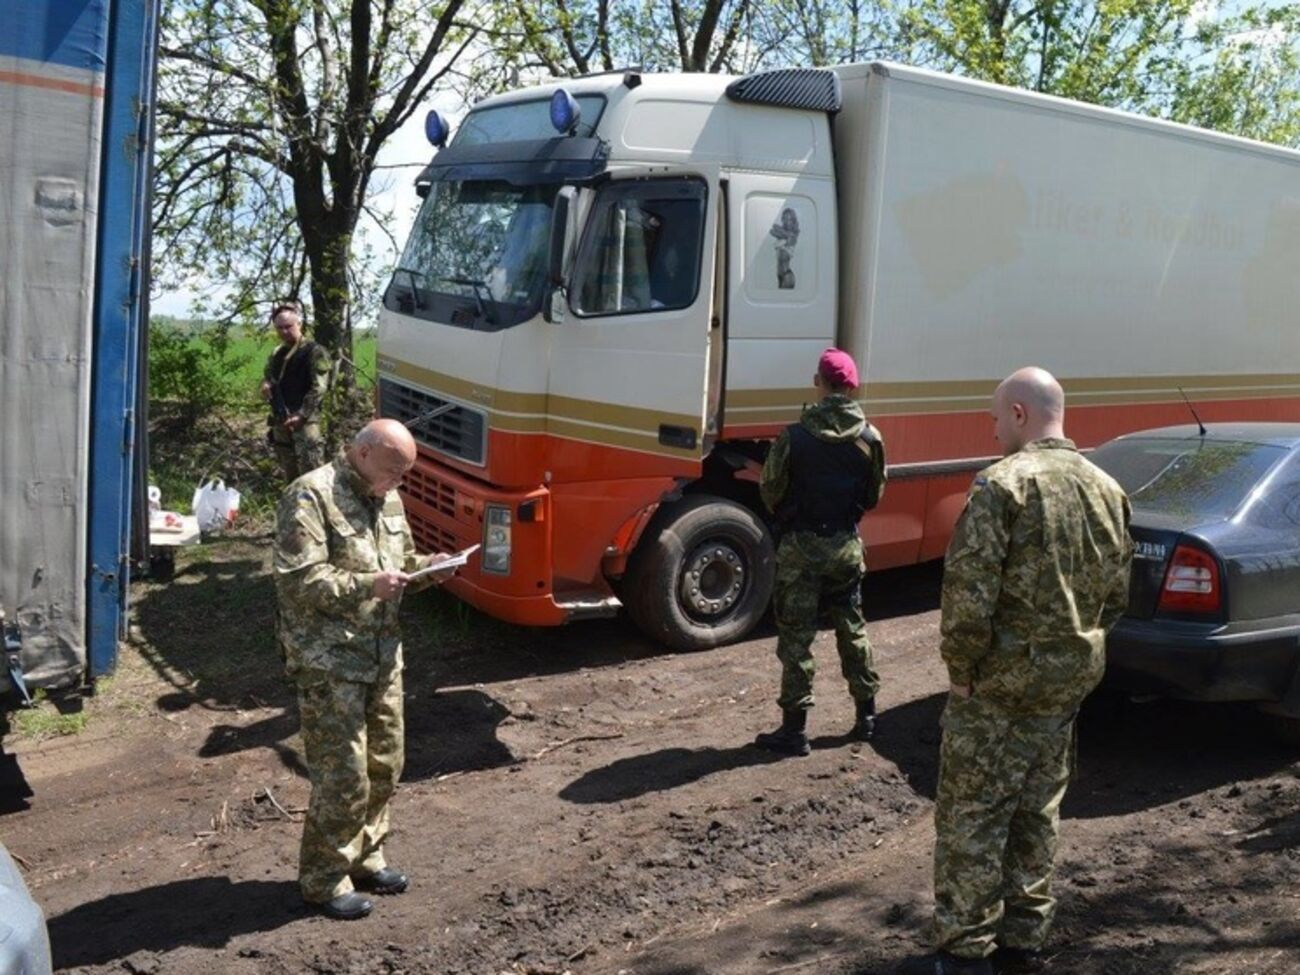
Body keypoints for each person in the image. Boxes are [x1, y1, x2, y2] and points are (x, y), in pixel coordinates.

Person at [921, 368, 1132, 975]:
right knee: (1037, 813)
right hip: (1064, 689)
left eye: (993, 419)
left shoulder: (1001, 486)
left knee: (972, 819)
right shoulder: (1107, 490)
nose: (991, 433)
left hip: (997, 690)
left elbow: (967, 594)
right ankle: (1024, 944)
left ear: (1018, 414)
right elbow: (1115, 597)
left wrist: (960, 669)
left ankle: (964, 954)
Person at [273, 419, 456, 920]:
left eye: (405, 473)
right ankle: (324, 878)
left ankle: (366, 857)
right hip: (328, 662)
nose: (401, 480)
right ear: (364, 452)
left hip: (381, 658)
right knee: (343, 777)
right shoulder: (310, 496)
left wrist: (430, 569)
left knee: (384, 766)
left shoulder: (388, 496)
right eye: (396, 469)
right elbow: (299, 581)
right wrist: (367, 586)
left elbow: (401, 565)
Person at [753, 348, 887, 757]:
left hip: (800, 549)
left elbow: (770, 490)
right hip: (844, 547)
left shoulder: (793, 436)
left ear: (819, 382)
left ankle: (795, 731)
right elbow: (874, 494)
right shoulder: (870, 438)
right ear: (853, 386)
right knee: (852, 627)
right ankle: (866, 717)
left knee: (797, 639)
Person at [261, 301, 331, 481]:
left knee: (312, 472)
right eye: (279, 328)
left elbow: (320, 387)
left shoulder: (315, 351)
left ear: (299, 324)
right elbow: (269, 377)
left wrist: (302, 414)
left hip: (306, 421)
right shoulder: (277, 353)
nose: (284, 331)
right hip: (281, 419)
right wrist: (266, 384)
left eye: (288, 326)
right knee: (288, 472)